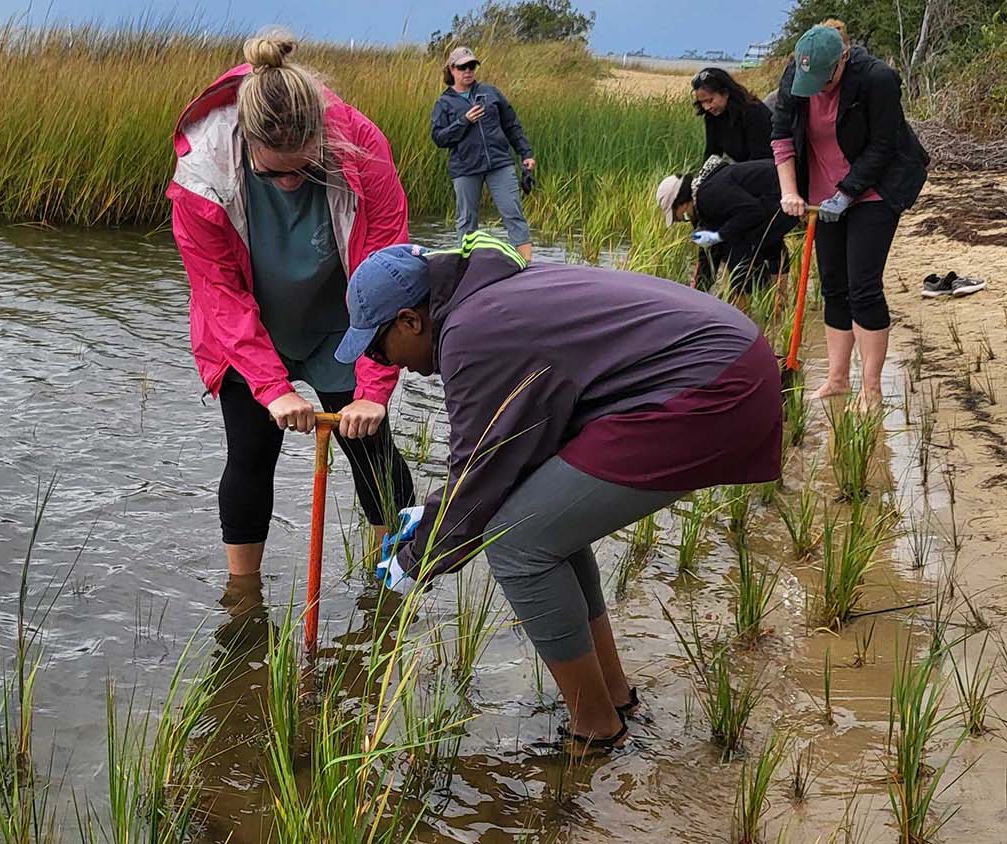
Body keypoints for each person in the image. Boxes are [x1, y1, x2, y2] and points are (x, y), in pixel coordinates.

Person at [336, 233, 782, 748]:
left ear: (410, 321)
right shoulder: (488, 297)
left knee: (515, 542)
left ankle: (594, 730)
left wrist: (417, 556)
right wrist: (433, 517)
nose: (384, 362)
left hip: (712, 386)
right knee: (545, 525)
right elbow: (509, 458)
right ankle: (613, 697)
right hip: (729, 359)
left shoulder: (472, 332)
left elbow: (481, 470)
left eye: (377, 346)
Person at [167, 31, 415, 577]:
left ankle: (397, 586)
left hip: (343, 323)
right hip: (250, 327)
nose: (288, 183)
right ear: (244, 144)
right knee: (250, 456)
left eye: (304, 169)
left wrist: (374, 392)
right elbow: (219, 295)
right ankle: (242, 602)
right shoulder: (201, 177)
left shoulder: (361, 147)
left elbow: (387, 272)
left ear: (324, 140)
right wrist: (272, 387)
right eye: (272, 172)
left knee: (374, 452)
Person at [771, 22, 929, 407]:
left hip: (877, 188)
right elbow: (781, 136)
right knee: (833, 286)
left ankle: (871, 389)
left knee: (863, 286)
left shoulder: (877, 79)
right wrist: (789, 191)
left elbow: (883, 146)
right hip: (822, 191)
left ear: (842, 59)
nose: (819, 88)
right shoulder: (798, 72)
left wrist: (847, 193)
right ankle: (838, 378)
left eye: (825, 80)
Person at [430, 46, 536, 260]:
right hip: (465, 168)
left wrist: (526, 153)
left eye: (472, 66)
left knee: (513, 213)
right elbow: (439, 138)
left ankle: (527, 265)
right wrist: (464, 121)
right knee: (467, 220)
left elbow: (511, 125)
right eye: (462, 67)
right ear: (451, 69)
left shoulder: (491, 93)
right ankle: (468, 267)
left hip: (499, 163)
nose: (468, 71)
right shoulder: (444, 103)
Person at [656, 157, 800, 293]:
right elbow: (709, 253)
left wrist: (719, 235)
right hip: (781, 190)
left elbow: (752, 212)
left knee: (736, 244)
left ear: (681, 202)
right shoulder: (701, 201)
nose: (680, 220)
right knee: (737, 239)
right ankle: (770, 299)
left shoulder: (708, 195)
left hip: (789, 190)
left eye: (677, 215)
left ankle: (753, 302)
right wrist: (698, 291)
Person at [692, 67, 774, 162]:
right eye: (702, 102)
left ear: (725, 93)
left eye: (710, 100)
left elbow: (761, 156)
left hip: (767, 167)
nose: (706, 107)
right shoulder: (712, 116)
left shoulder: (753, 112)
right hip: (745, 168)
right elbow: (712, 154)